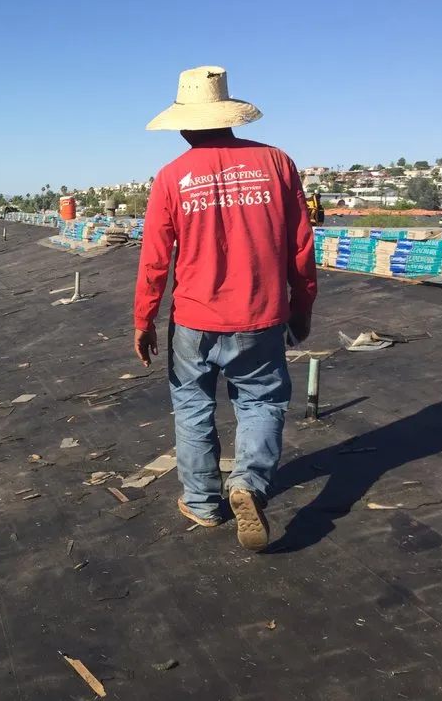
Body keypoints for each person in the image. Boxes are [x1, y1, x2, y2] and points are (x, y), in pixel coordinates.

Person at [134, 65, 318, 551]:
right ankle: (248, 485)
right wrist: (302, 305)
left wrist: (144, 320)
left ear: (184, 125)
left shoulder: (171, 177)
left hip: (194, 321)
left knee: (192, 407)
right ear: (229, 115)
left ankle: (201, 503)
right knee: (261, 401)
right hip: (261, 316)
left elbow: (155, 259)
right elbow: (301, 245)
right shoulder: (276, 163)